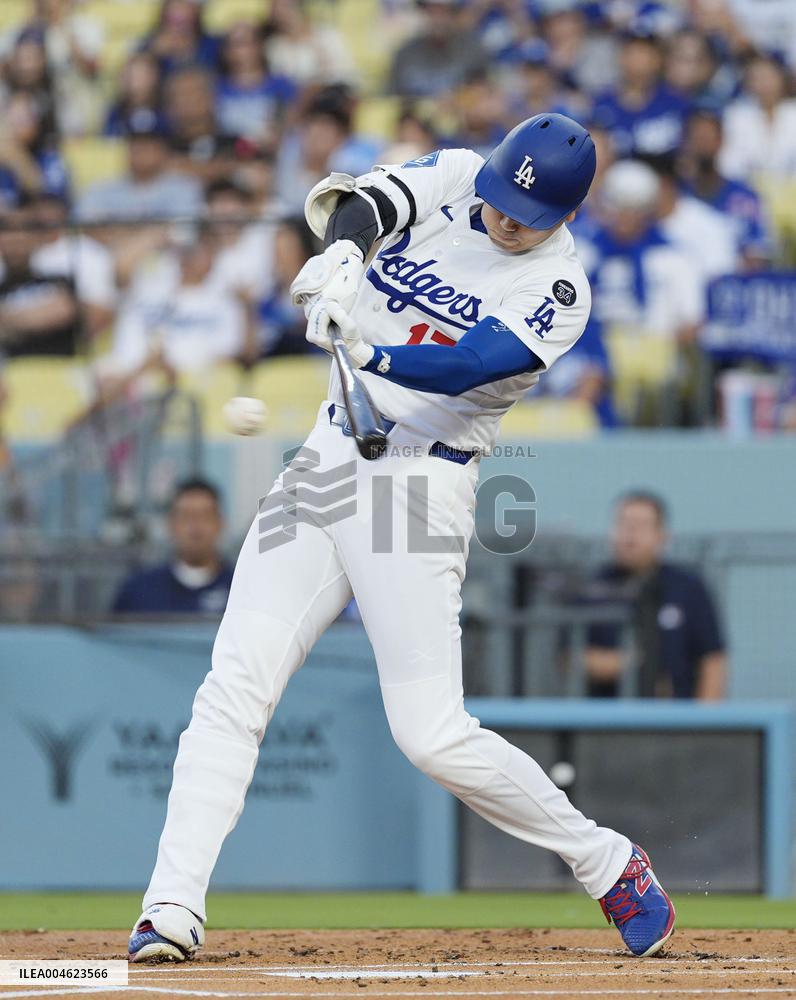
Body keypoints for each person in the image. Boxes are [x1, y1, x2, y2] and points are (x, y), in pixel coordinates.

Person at [129, 114, 675, 965]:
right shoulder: (462, 175)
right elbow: (370, 204)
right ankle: (169, 908)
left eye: (526, 216)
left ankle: (608, 862)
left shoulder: (562, 289)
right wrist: (345, 257)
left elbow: (470, 364)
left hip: (420, 482)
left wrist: (368, 349)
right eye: (499, 200)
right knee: (234, 683)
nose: (502, 219)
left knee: (429, 732)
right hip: (326, 458)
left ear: (565, 218)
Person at [585, 491, 727, 700]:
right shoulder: (592, 587)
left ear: (662, 535)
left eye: (640, 525)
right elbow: (567, 657)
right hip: (606, 721)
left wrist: (706, 720)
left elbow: (713, 658)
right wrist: (620, 664)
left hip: (676, 718)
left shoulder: (688, 588)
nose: (630, 534)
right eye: (623, 523)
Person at [113, 479, 233, 616]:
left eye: (205, 516)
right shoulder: (137, 591)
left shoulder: (241, 588)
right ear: (171, 524)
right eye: (186, 516)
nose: (196, 526)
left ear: (220, 524)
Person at [679, 108, 772, 268]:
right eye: (698, 138)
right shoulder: (676, 196)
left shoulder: (745, 197)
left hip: (730, 283)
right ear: (686, 142)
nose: (703, 144)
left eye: (709, 138)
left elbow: (759, 253)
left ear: (721, 141)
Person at [75, 118, 202, 223]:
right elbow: (84, 229)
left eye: (148, 142)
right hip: (110, 251)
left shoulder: (185, 187)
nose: (140, 149)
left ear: (165, 149)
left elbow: (182, 234)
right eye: (135, 142)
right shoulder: (102, 188)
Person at [0, 198, 79, 357]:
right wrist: (30, 318)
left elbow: (62, 311)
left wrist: (7, 322)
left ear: (34, 241)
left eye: (20, 240)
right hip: (10, 368)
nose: (14, 247)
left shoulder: (57, 278)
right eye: (9, 240)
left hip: (55, 367)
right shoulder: (3, 286)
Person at [592, 29, 689, 157]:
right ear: (621, 57)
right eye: (632, 51)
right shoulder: (602, 103)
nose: (638, 58)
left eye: (645, 52)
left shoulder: (677, 103)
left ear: (658, 59)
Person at [388, 0, 488, 98]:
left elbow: (484, 96)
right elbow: (392, 100)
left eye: (443, 12)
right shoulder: (405, 53)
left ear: (454, 14)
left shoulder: (473, 50)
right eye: (431, 11)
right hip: (416, 112)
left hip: (458, 112)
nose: (437, 19)